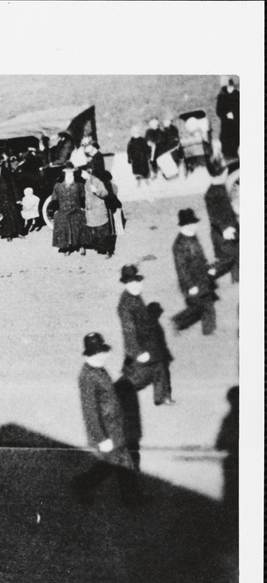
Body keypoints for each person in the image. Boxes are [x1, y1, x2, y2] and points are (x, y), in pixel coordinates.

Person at [71, 333, 148, 507]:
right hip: (107, 431)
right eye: (101, 351)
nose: (105, 354)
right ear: (93, 353)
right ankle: (131, 499)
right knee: (119, 463)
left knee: (115, 463)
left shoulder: (98, 368)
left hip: (114, 427)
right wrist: (101, 438)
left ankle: (83, 485)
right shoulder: (88, 376)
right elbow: (89, 410)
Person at [116, 266, 174, 406]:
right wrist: (138, 352)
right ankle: (115, 393)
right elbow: (128, 331)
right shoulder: (126, 304)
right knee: (139, 377)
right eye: (132, 282)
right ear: (126, 283)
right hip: (139, 346)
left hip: (148, 343)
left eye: (137, 281)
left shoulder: (135, 296)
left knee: (159, 365)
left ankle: (162, 396)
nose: (136, 284)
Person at [170, 209, 217, 335]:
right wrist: (190, 285)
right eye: (193, 223)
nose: (196, 225)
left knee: (208, 306)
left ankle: (209, 332)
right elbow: (181, 268)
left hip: (202, 279)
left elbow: (201, 257)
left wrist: (208, 268)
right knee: (199, 308)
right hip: (192, 283)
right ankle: (177, 322)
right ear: (186, 225)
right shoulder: (179, 244)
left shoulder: (193, 236)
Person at [204, 158, 239, 283]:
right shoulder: (214, 193)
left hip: (223, 232)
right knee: (227, 260)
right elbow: (216, 213)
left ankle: (236, 278)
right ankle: (204, 277)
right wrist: (226, 228)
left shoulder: (217, 188)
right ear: (223, 173)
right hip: (223, 234)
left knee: (232, 259)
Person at [51, 163, 85, 255]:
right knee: (64, 229)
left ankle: (81, 246)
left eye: (72, 172)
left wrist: (82, 207)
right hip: (63, 209)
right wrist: (55, 209)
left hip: (76, 208)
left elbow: (82, 196)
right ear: (64, 173)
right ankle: (66, 247)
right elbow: (54, 198)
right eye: (67, 173)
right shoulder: (58, 185)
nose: (70, 174)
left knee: (78, 228)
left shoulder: (79, 183)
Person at [0, 161, 23, 241]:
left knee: (14, 216)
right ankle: (8, 234)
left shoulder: (8, 176)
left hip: (10, 200)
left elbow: (14, 187)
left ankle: (17, 232)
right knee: (4, 219)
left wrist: (18, 199)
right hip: (0, 202)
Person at [215, 78, 239, 159]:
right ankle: (227, 158)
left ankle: (235, 157)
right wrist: (226, 115)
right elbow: (218, 111)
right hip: (226, 124)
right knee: (225, 141)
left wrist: (234, 114)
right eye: (229, 86)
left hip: (235, 123)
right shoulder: (222, 95)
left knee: (235, 140)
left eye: (232, 86)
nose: (231, 88)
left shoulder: (237, 94)